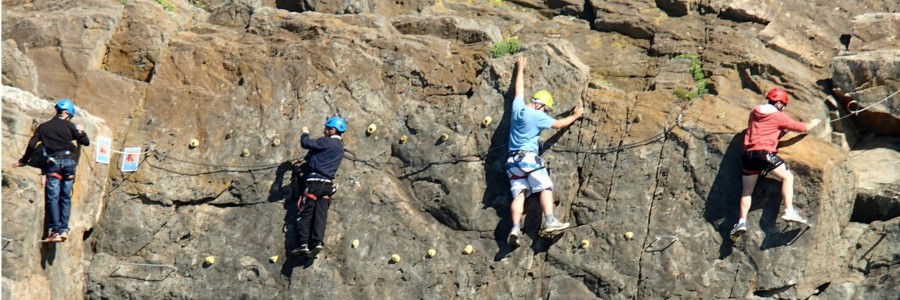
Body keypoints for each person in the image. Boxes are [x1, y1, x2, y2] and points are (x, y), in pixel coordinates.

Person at [506, 56, 584, 247]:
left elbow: (518, 91)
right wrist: (575, 115)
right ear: (541, 105)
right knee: (545, 186)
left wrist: (520, 68)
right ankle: (550, 221)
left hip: (511, 163)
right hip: (528, 160)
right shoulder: (538, 115)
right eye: (545, 108)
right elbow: (558, 124)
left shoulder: (518, 109)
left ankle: (515, 227)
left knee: (519, 194)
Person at [730, 87, 820, 238]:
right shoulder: (779, 117)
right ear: (778, 103)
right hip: (764, 154)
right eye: (783, 106)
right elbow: (802, 127)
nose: (783, 109)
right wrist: (814, 123)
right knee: (787, 177)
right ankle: (789, 210)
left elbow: (765, 128)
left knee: (746, 192)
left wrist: (780, 131)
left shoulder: (754, 111)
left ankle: (742, 222)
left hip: (748, 155)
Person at [12, 99, 90, 243]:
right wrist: (80, 131)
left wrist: (24, 160)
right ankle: (64, 229)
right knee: (65, 197)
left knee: (53, 197)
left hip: (53, 163)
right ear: (67, 114)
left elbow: (32, 143)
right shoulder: (70, 126)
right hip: (68, 162)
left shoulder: (43, 127)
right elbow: (85, 141)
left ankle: (55, 231)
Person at [291, 116, 346, 258]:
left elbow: (306, 143)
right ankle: (317, 242)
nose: (324, 130)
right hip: (327, 185)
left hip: (314, 183)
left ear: (332, 130)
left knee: (306, 212)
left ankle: (303, 244)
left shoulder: (325, 142)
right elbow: (320, 155)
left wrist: (305, 132)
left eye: (326, 128)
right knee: (320, 215)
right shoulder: (340, 148)